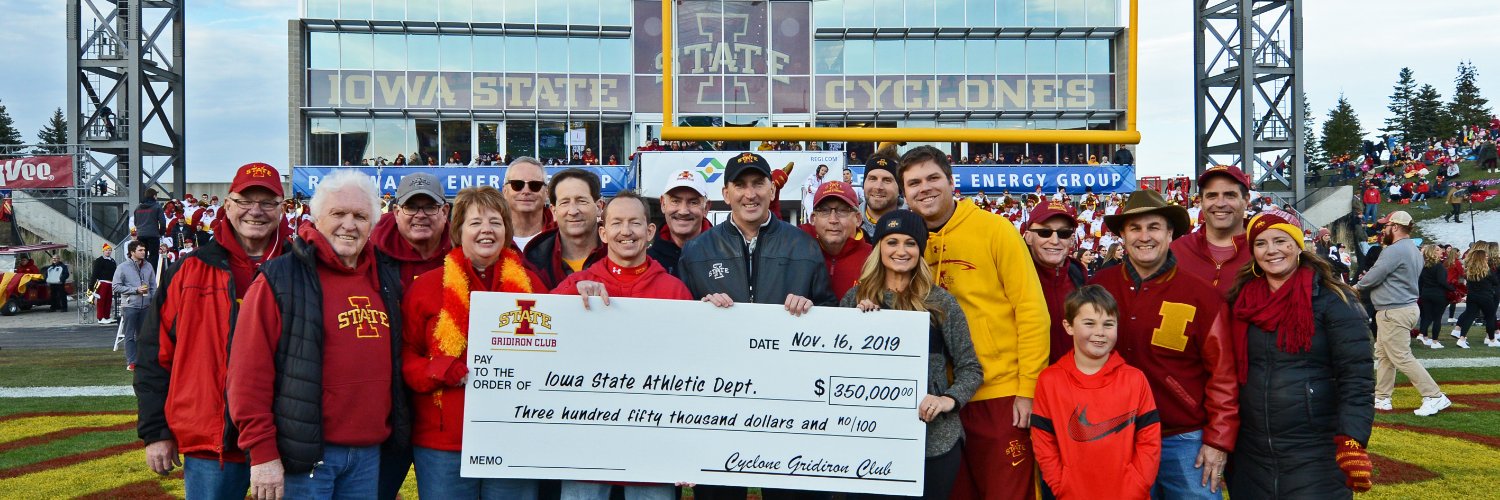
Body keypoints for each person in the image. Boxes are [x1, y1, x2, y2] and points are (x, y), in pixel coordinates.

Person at [227, 170, 410, 499]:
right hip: (304, 458)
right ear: (316, 217)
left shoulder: (384, 276)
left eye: (360, 216)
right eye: (338, 214)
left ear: (374, 223)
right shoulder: (280, 278)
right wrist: (263, 454)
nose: (349, 225)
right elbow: (247, 375)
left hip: (368, 455)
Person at [676, 151, 836, 500]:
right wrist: (698, 312)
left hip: (789, 399)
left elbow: (829, 312)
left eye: (758, 183)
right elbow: (678, 326)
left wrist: (813, 311)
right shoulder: (697, 250)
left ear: (772, 190)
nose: (750, 194)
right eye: (741, 185)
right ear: (726, 192)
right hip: (720, 400)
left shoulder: (805, 247)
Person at [897, 146, 1049, 500]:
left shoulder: (994, 229)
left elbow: (1031, 311)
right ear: (905, 193)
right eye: (914, 182)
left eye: (933, 178)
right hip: (935, 401)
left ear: (952, 182)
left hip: (997, 394)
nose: (925, 188)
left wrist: (1027, 389)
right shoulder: (904, 244)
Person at [134, 162, 292, 499]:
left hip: (288, 442)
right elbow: (153, 354)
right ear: (228, 205)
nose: (256, 211)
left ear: (282, 209)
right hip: (211, 445)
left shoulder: (302, 266)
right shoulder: (189, 270)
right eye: (246, 201)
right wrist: (156, 431)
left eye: (267, 202)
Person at [1088, 189, 1238, 499]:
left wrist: (1217, 441)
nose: (1145, 236)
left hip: (1182, 439)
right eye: (1135, 228)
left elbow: (1222, 374)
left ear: (1170, 233)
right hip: (1113, 436)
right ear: (1122, 235)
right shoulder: (1098, 287)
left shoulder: (1200, 295)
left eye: (1153, 227)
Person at [402, 186, 547, 500]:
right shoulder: (426, 287)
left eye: (495, 222)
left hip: (513, 439)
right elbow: (404, 355)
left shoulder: (532, 286)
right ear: (458, 231)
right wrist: (436, 369)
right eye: (475, 222)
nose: (486, 230)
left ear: (506, 230)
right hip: (444, 445)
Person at [1226, 209, 1374, 498]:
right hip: (1250, 453)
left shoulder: (1334, 301)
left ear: (1297, 245)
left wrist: (1352, 439)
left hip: (1314, 451)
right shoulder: (1240, 300)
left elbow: (1356, 378)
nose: (1271, 251)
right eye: (1260, 243)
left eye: (1281, 240)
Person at [553, 190, 691, 500]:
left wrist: (688, 448)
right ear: (602, 233)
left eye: (634, 223)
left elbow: (692, 371)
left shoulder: (674, 290)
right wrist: (570, 297)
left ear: (650, 231)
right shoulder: (578, 285)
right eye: (616, 223)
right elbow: (538, 332)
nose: (625, 232)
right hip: (586, 434)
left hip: (653, 436)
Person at [842, 210, 983, 500]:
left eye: (910, 243)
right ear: (878, 246)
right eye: (892, 242)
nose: (901, 251)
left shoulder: (941, 302)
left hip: (933, 443)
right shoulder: (853, 301)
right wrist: (856, 326)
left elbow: (971, 368)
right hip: (867, 441)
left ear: (920, 250)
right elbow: (835, 367)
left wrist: (948, 400)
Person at [1031, 285, 1161, 500]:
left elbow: (1149, 440)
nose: (1100, 332)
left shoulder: (1134, 379)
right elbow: (1043, 441)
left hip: (1129, 494)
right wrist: (1061, 484)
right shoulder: (1050, 380)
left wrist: (1138, 483)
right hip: (1072, 493)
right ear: (1069, 326)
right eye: (1089, 323)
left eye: (1108, 324)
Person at [370, 172, 452, 500]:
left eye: (429, 207)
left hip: (445, 402)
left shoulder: (466, 250)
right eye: (411, 206)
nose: (420, 214)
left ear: (445, 212)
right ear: (395, 211)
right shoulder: (368, 254)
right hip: (388, 401)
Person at [1356, 211, 1451, 416]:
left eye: (1386, 226)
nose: (1383, 230)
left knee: (1399, 356)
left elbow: (1375, 275)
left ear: (1396, 227)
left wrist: (1355, 287)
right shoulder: (1413, 249)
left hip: (1394, 309)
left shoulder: (1394, 250)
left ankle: (1434, 396)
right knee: (1385, 355)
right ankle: (1382, 397)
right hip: (1400, 308)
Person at [1172, 165, 1253, 297]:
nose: (1220, 203)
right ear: (1201, 201)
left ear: (1246, 200)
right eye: (1212, 196)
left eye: (1230, 195)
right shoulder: (1177, 250)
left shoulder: (1264, 251)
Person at [1023, 200, 1087, 364]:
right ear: (1028, 237)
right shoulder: (1014, 276)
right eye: (1045, 232)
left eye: (1064, 233)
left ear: (1072, 240)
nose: (1054, 240)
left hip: (1075, 381)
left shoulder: (1080, 276)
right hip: (1029, 383)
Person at [524, 168, 607, 289]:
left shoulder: (619, 251)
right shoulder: (534, 260)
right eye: (564, 202)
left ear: (599, 207)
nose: (573, 211)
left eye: (581, 201)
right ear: (553, 211)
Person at [801, 181, 872, 299]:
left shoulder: (874, 258)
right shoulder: (799, 253)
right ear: (813, 219)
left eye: (842, 211)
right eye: (824, 211)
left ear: (858, 219)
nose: (833, 220)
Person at [647, 170, 710, 277]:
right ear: (663, 204)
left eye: (693, 202)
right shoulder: (645, 261)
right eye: (675, 201)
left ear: (706, 208)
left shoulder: (726, 255)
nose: (683, 211)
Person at [114, 241, 155, 371]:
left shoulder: (148, 266)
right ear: (132, 252)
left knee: (144, 335)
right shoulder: (122, 267)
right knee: (129, 335)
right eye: (140, 250)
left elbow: (153, 286)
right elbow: (115, 286)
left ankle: (144, 360)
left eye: (144, 250)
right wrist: (135, 290)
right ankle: (132, 361)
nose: (144, 252)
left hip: (146, 306)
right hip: (130, 306)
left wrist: (153, 302)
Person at [504, 156, 554, 252]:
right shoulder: (490, 236)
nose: (526, 191)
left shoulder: (562, 237)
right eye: (517, 185)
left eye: (535, 185)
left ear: (546, 192)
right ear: (505, 191)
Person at [1451, 249, 1499, 347]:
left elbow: (1467, 283)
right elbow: (1495, 282)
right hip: (1485, 297)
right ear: (1481, 258)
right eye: (1485, 256)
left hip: (1472, 297)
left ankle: (1462, 339)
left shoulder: (1470, 270)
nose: (1487, 257)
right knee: (1490, 317)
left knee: (1469, 317)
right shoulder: (1487, 270)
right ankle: (1492, 340)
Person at [858, 154, 904, 241]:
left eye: (887, 180)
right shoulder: (848, 225)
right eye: (873, 178)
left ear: (899, 188)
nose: (878, 187)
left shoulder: (915, 224)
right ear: (864, 184)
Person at [1418, 245, 1456, 347]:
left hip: (1426, 294)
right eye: (1438, 250)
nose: (1441, 251)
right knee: (1437, 318)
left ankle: (1422, 334)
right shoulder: (1439, 266)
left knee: (1427, 316)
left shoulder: (1424, 266)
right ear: (1433, 253)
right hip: (1438, 294)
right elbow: (1441, 281)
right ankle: (1435, 341)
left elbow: (1420, 282)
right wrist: (1453, 289)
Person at [134, 188, 167, 266]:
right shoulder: (157, 207)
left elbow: (135, 222)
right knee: (153, 256)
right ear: (154, 196)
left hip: (141, 235)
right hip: (153, 235)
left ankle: (142, 274)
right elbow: (163, 222)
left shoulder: (138, 207)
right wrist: (161, 233)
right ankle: (152, 274)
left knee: (142, 255)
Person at [92, 244, 117, 324]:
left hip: (110, 283)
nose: (108, 251)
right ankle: (100, 317)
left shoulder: (112, 260)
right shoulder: (99, 260)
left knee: (108, 300)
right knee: (101, 301)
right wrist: (92, 285)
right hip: (102, 282)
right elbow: (95, 272)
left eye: (109, 250)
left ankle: (106, 316)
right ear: (103, 251)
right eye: (106, 250)